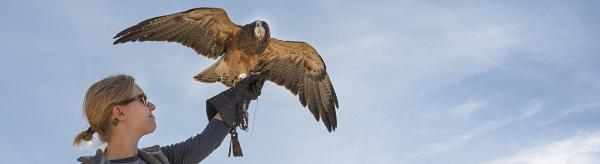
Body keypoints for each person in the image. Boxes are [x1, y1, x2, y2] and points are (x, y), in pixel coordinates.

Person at [74, 74, 266, 164]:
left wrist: (240, 96)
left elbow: (206, 141)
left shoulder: (161, 159)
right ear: (119, 113)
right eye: (142, 100)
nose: (151, 106)